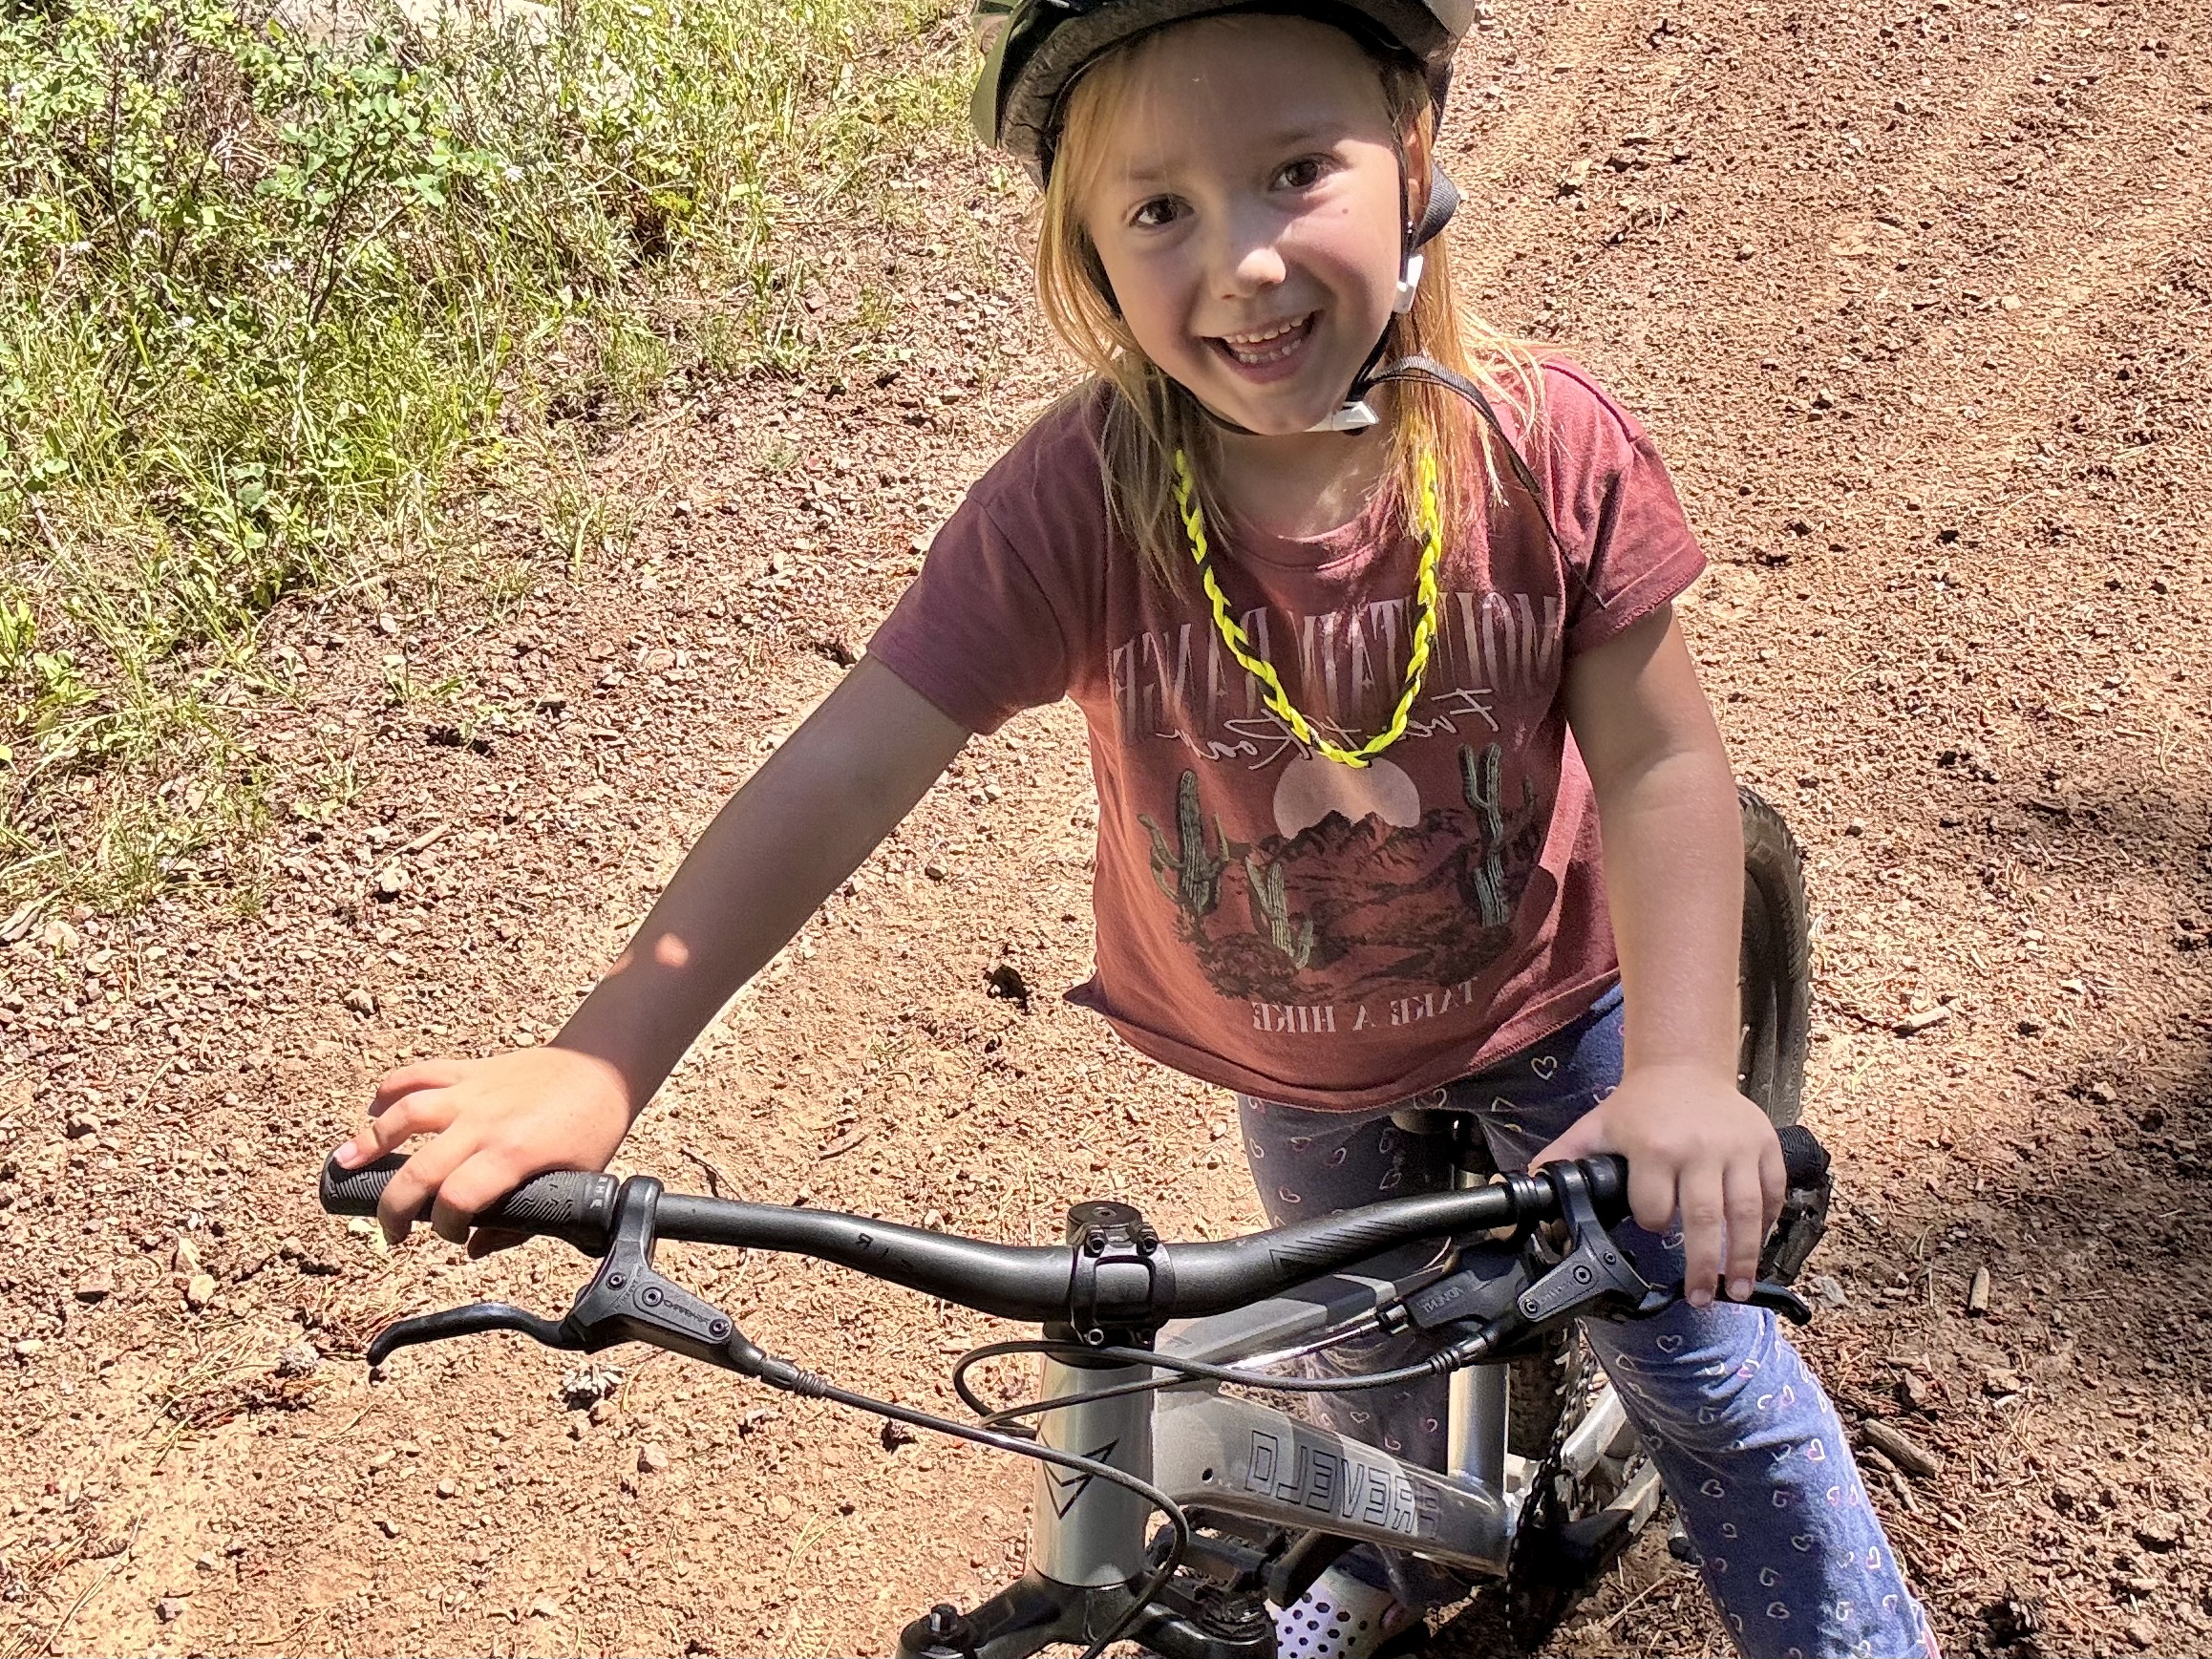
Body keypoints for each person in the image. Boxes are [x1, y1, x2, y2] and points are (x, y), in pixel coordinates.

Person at [332, 1, 1935, 1653]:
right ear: (1091, 253)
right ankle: (1393, 1548)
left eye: (1295, 170)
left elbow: (1664, 765)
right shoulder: (1080, 506)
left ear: (1414, 157)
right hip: (1293, 1061)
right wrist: (601, 1058)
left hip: (1555, 1013)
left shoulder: (1541, 454)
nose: (1242, 261)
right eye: (1160, 206)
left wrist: (1684, 1071)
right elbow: (848, 765)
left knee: (1711, 1385)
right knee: (1363, 1364)